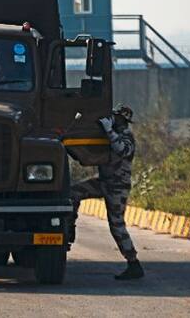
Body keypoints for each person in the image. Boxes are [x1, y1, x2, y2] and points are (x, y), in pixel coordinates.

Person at [69, 104, 144, 280]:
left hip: (118, 186)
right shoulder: (111, 134)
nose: (113, 119)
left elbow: (122, 149)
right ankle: (69, 225)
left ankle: (133, 263)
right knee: (74, 192)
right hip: (104, 181)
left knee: (116, 224)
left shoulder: (126, 137)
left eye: (116, 117)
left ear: (122, 119)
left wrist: (109, 131)